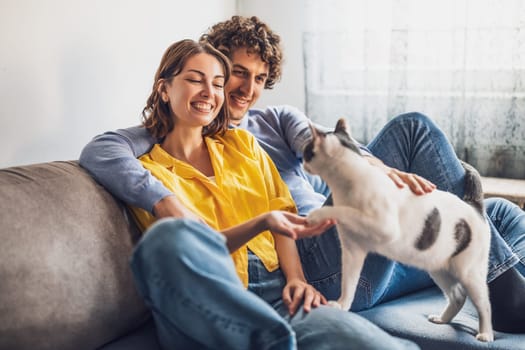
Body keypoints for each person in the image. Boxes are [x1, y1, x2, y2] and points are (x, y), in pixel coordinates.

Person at [80, 16, 525, 333]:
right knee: (415, 132)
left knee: (500, 214)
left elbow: (331, 146)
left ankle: (501, 281)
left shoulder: (271, 122)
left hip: (351, 245)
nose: (244, 89)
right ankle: (510, 303)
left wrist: (378, 167)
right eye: (233, 73)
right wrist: (164, 188)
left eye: (258, 77)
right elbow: (104, 149)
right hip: (318, 255)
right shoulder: (184, 136)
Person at [122, 38, 419, 350]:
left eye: (217, 84)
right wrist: (261, 222)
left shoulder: (244, 146)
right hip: (216, 304)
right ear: (164, 90)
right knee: (168, 235)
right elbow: (198, 248)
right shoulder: (148, 173)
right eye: (195, 80)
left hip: (279, 298)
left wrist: (296, 279)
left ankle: (271, 336)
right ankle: (268, 339)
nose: (209, 92)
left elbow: (283, 213)